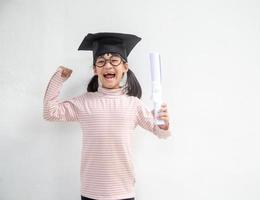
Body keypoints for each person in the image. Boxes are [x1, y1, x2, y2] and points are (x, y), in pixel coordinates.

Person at [43, 32, 171, 200]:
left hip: (123, 192)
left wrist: (163, 125)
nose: (108, 66)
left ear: (125, 67)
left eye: (114, 60)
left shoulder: (134, 104)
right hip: (91, 192)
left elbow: (160, 132)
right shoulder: (83, 102)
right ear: (95, 69)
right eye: (101, 61)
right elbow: (50, 113)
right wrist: (58, 78)